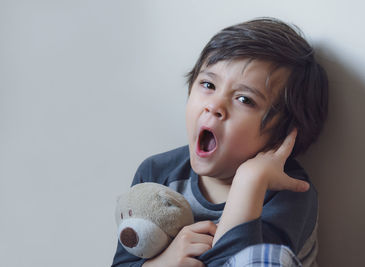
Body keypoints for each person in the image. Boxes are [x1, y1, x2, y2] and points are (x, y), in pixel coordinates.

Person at [111, 17, 328, 267]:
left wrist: (250, 182)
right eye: (208, 84)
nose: (214, 106)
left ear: (283, 136)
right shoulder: (157, 173)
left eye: (245, 100)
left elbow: (250, 262)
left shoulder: (290, 192)